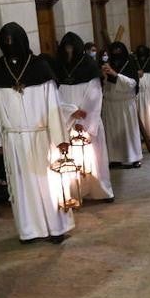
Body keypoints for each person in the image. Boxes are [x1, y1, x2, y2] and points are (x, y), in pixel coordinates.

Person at [0, 23, 71, 244]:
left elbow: (53, 104)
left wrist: (60, 137)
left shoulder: (40, 68)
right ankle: (29, 230)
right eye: (6, 42)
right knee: (20, 185)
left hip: (41, 137)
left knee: (47, 182)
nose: (10, 46)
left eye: (13, 41)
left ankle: (56, 227)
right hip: (13, 138)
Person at [49, 32, 113, 203]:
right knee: (71, 160)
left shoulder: (89, 66)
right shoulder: (57, 67)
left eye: (72, 48)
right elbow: (53, 96)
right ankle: (76, 193)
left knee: (95, 159)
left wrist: (82, 120)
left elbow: (94, 95)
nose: (69, 51)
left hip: (88, 120)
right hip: (67, 121)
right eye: (66, 48)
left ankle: (100, 191)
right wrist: (71, 112)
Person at [102, 41, 143, 168]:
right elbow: (103, 86)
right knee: (113, 132)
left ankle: (134, 157)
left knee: (128, 132)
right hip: (111, 104)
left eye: (119, 51)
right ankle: (114, 158)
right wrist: (103, 76)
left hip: (126, 104)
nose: (116, 54)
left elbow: (132, 84)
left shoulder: (129, 63)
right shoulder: (108, 64)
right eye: (113, 52)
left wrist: (115, 75)